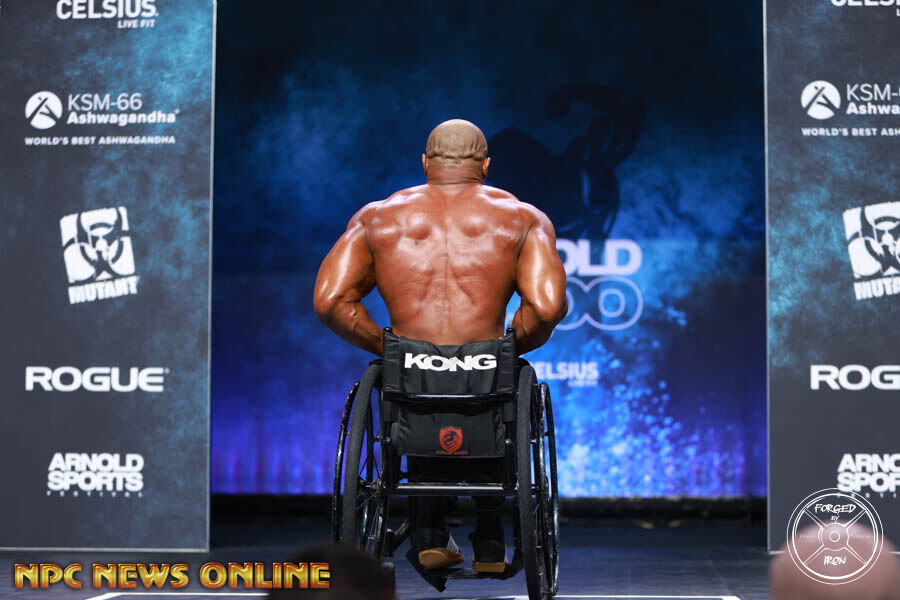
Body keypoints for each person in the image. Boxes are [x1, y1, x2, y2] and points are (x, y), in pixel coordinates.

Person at [314, 119, 567, 573]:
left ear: (425, 163)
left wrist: (391, 348)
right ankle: (490, 544)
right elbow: (547, 309)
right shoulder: (523, 218)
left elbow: (330, 301)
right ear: (485, 166)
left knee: (412, 395)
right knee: (497, 394)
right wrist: (505, 350)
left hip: (410, 376)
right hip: (487, 379)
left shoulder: (377, 218)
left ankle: (429, 536)